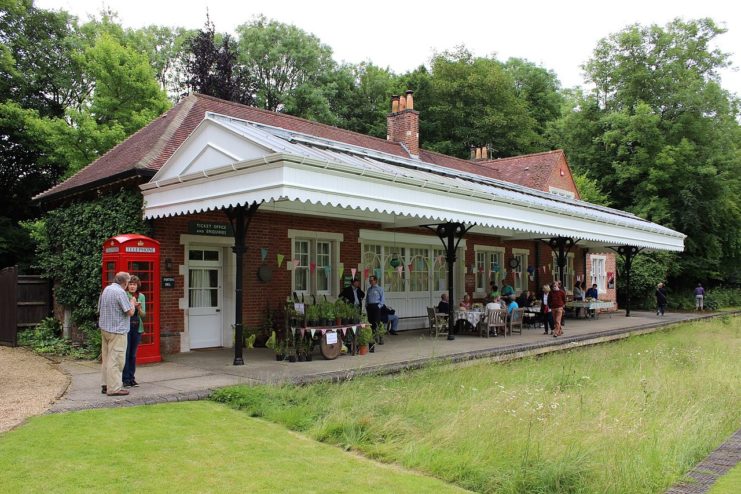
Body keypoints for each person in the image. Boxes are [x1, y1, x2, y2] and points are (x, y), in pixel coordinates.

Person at [98, 272, 135, 396]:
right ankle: (114, 388)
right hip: (118, 331)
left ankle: (105, 384)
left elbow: (100, 307)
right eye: (128, 283)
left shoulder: (107, 289)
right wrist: (133, 303)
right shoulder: (120, 292)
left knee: (107, 358)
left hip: (105, 329)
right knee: (116, 360)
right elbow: (129, 312)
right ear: (125, 283)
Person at [122, 276, 146, 388]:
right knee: (126, 354)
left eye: (134, 284)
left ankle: (132, 378)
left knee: (133, 354)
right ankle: (125, 379)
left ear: (137, 286)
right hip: (126, 327)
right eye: (130, 284)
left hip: (137, 328)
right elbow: (123, 312)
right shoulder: (124, 295)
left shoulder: (141, 296)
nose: (132, 286)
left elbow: (144, 316)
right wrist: (132, 304)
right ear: (127, 285)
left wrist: (140, 308)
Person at [365, 275, 385, 351]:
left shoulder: (380, 289)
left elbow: (382, 300)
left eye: (371, 280)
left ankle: (378, 337)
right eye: (369, 281)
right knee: (370, 323)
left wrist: (378, 307)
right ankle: (372, 338)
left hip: (376, 307)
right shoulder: (369, 289)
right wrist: (366, 306)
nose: (370, 282)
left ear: (375, 281)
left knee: (376, 323)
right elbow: (367, 299)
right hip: (370, 307)